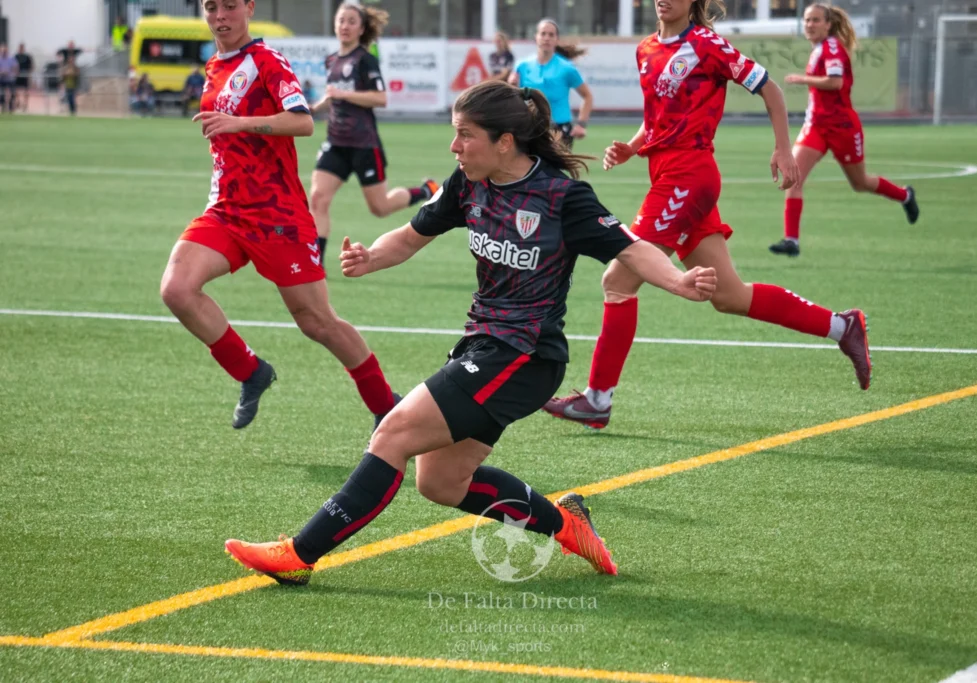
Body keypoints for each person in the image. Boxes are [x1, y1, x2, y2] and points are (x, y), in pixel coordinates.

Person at [224, 80, 719, 585]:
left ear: (504, 142)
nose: (454, 146)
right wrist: (372, 257)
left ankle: (299, 554)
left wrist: (678, 281)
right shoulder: (468, 184)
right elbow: (411, 236)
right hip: (485, 345)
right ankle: (565, 524)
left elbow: (632, 249)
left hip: (525, 354)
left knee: (392, 432)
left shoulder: (562, 197)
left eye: (465, 135)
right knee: (440, 482)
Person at [542, 0, 874, 432]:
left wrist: (783, 148)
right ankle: (842, 327)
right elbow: (656, 117)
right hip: (670, 174)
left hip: (688, 176)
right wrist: (632, 147)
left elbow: (770, 89)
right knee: (730, 295)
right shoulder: (646, 48)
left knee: (618, 280)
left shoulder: (706, 44)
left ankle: (597, 400)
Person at [160, 0, 399, 430]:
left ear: (249, 8)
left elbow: (303, 122)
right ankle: (252, 372)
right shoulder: (214, 66)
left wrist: (240, 122)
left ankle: (386, 406)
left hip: (277, 216)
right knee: (177, 289)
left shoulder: (266, 60)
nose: (220, 16)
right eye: (211, 7)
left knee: (317, 323)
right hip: (226, 212)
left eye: (230, 6)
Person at [768, 4, 919, 258]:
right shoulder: (818, 49)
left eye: (816, 20)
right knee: (794, 177)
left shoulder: (832, 48)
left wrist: (802, 79)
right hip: (816, 127)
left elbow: (835, 82)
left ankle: (905, 195)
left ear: (828, 25)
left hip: (843, 128)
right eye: (807, 20)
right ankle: (791, 240)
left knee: (860, 183)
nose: (810, 25)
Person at [309, 3, 439, 260]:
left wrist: (343, 94)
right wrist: (314, 107)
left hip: (364, 144)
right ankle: (316, 265)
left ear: (361, 29)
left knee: (380, 208)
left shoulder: (365, 59)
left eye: (351, 21)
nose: (345, 26)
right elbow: (333, 97)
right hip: (336, 142)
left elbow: (380, 98)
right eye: (341, 20)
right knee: (317, 198)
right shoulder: (331, 60)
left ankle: (427, 190)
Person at [509, 18, 592, 149]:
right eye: (543, 34)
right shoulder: (522, 66)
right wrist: (511, 85)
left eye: (551, 35)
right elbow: (514, 97)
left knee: (555, 163)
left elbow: (587, 96)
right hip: (530, 127)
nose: (546, 38)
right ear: (536, 37)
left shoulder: (567, 68)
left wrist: (581, 124)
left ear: (557, 39)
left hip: (559, 128)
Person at [59, 48, 81, 116]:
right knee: (68, 98)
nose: (71, 61)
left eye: (72, 59)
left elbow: (77, 76)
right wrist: (62, 81)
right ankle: (71, 110)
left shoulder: (75, 68)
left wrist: (72, 74)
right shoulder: (66, 67)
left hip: (74, 85)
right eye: (70, 59)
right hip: (67, 85)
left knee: (72, 98)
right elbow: (63, 76)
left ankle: (73, 110)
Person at [14, 44, 33, 112]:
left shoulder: (27, 57)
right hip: (18, 76)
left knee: (26, 90)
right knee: (15, 90)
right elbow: (13, 66)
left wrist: (28, 73)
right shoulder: (16, 56)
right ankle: (18, 102)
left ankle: (25, 104)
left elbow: (31, 66)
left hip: (25, 76)